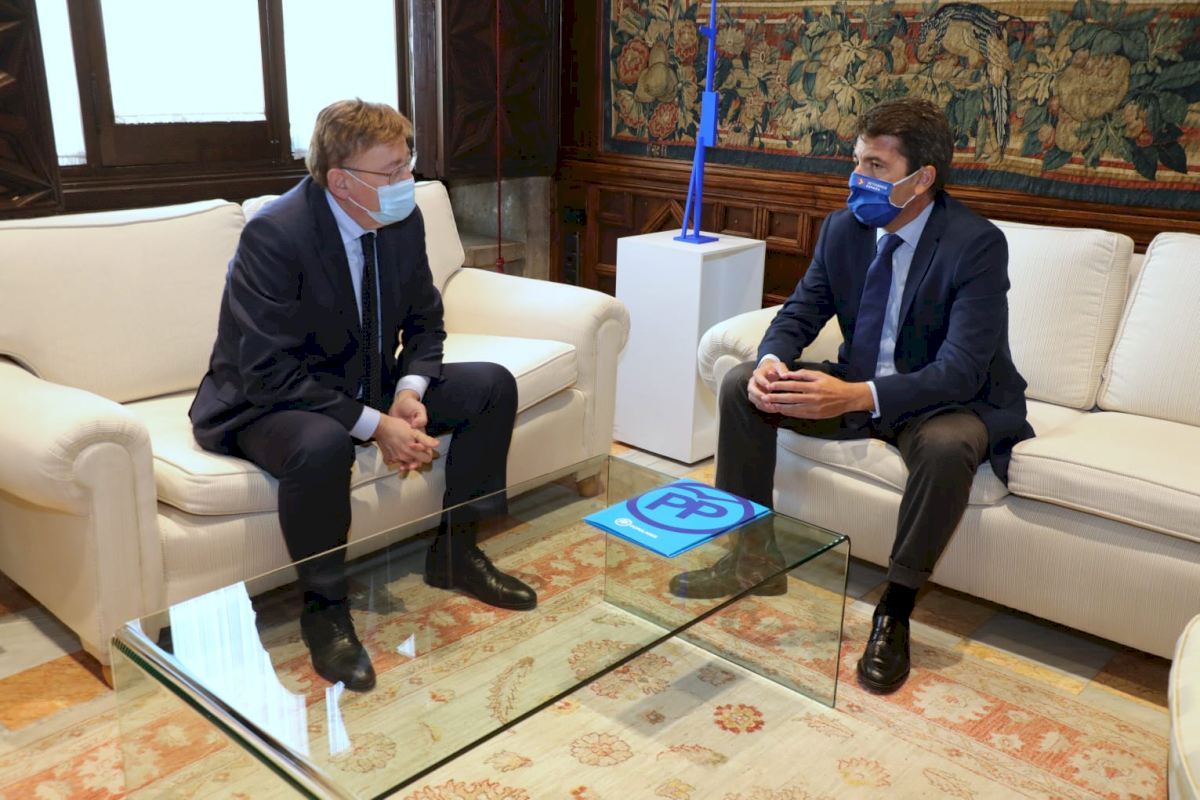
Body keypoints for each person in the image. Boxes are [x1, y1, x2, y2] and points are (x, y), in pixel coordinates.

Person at [670, 97, 1033, 694]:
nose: (857, 178)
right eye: (857, 161)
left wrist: (856, 395)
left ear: (922, 179)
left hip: (941, 402)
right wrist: (771, 361)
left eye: (875, 166)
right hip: (857, 383)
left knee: (947, 448)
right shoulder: (845, 228)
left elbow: (963, 370)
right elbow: (801, 311)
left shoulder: (975, 244)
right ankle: (751, 559)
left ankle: (896, 608)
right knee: (741, 386)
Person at [190, 99, 536, 692]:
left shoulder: (402, 219)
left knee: (491, 386)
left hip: (364, 382)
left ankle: (457, 552)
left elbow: (425, 320)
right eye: (393, 170)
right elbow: (267, 369)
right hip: (266, 400)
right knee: (322, 444)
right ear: (341, 181)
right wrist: (375, 426)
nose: (408, 181)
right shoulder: (276, 235)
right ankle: (325, 610)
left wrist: (408, 391)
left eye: (408, 164)